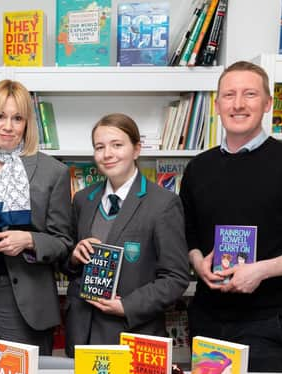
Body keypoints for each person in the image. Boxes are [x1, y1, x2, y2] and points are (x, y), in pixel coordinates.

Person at [179, 61, 282, 372]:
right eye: (229, 95)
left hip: (263, 323)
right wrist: (197, 262)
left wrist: (261, 270)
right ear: (217, 104)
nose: (237, 104)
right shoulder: (198, 168)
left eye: (249, 94)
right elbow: (187, 233)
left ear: (267, 103)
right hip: (205, 317)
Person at [0, 79, 72, 364]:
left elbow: (64, 243)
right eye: (0, 116)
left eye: (17, 118)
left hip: (24, 293)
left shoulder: (52, 172)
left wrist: (29, 240)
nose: (7, 126)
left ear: (27, 124)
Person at [65, 113, 189, 356]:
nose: (107, 154)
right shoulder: (83, 199)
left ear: (136, 149)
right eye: (99, 147)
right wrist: (73, 257)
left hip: (131, 335)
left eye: (117, 145)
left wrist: (127, 306)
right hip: (82, 335)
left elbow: (175, 278)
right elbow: (68, 265)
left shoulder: (163, 204)